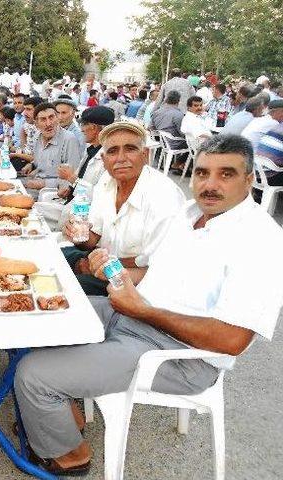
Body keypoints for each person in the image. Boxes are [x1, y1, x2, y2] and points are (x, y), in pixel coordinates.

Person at [15, 134, 283, 476]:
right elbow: (151, 271)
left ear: (250, 180)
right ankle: (63, 417)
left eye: (226, 174)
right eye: (202, 173)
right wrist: (112, 270)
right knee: (42, 313)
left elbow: (231, 341)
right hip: (136, 316)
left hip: (178, 357)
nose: (210, 185)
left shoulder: (262, 242)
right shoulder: (190, 214)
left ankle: (70, 455)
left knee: (33, 375)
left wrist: (144, 311)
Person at [60, 121, 185, 296]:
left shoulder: (163, 195)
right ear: (104, 160)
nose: (121, 158)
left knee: (66, 288)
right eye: (112, 151)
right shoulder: (106, 182)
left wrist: (96, 265)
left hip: (139, 281)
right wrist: (78, 235)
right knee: (54, 256)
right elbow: (93, 237)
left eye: (130, 149)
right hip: (103, 261)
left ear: (145, 154)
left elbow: (160, 264)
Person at [57, 106, 115, 202]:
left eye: (83, 125)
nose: (81, 129)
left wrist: (71, 178)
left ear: (94, 128)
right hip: (72, 204)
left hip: (86, 211)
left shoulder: (108, 158)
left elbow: (100, 195)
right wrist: (70, 188)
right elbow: (81, 178)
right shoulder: (90, 150)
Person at [21, 102, 82, 193]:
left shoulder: (69, 139)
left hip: (53, 192)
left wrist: (44, 183)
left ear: (57, 118)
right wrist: (32, 164)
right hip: (35, 181)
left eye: (51, 117)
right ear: (36, 124)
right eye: (43, 119)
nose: (48, 123)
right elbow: (43, 160)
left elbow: (72, 177)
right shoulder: (37, 136)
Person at [10, 96, 43, 171]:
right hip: (25, 160)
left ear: (39, 111)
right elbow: (24, 148)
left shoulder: (45, 130)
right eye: (24, 109)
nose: (24, 113)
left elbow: (38, 159)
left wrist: (16, 154)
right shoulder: (27, 125)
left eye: (28, 109)